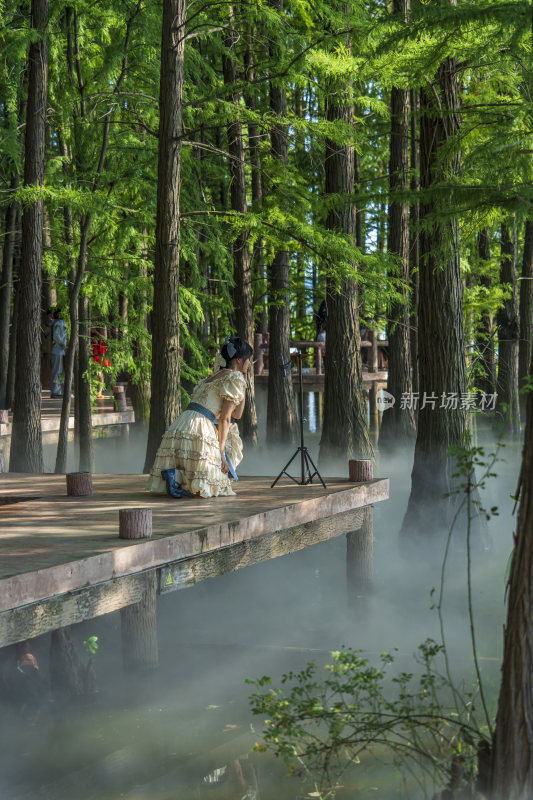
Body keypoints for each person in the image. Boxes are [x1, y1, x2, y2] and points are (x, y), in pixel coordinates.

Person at [147, 336, 252, 499]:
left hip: (182, 424)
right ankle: (176, 477)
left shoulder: (212, 377)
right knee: (213, 485)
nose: (250, 363)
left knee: (195, 472)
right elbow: (226, 419)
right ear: (239, 360)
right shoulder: (234, 378)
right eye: (248, 359)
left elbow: (236, 414)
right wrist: (221, 452)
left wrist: (244, 383)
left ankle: (174, 475)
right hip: (200, 427)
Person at [50, 309, 67, 398]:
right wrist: (63, 343)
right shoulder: (59, 323)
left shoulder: (58, 323)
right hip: (58, 349)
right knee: (57, 370)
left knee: (58, 371)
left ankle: (58, 391)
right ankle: (55, 392)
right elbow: (56, 336)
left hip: (59, 350)